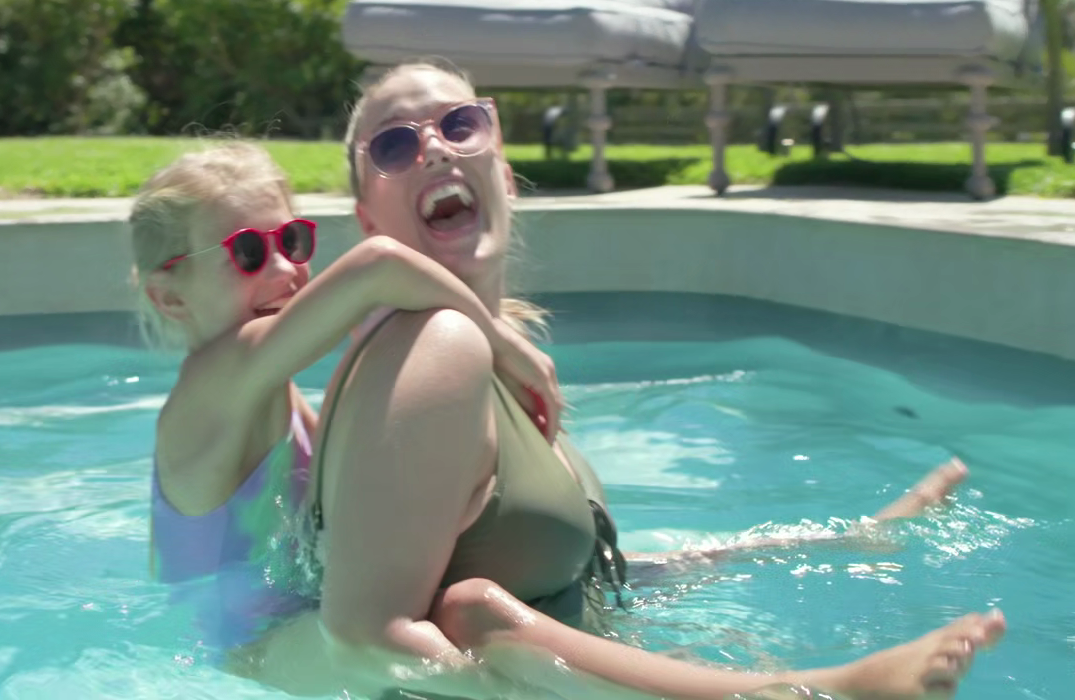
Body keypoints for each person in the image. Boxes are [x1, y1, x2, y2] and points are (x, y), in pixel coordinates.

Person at [250, 60, 1006, 700]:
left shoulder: (500, 366)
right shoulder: (435, 351)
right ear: (369, 222)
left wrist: (841, 540)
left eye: (460, 124)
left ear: (504, 176)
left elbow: (589, 578)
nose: (436, 150)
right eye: (394, 145)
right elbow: (363, 643)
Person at [133, 142, 567, 665]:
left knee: (478, 613)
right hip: (239, 652)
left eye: (291, 241)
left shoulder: (283, 399)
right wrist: (501, 341)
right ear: (170, 297)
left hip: (294, 634)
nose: (283, 269)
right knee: (439, 646)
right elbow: (377, 265)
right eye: (247, 253)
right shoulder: (207, 389)